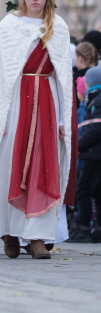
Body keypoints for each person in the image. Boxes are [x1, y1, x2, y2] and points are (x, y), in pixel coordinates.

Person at [0, 0, 77, 260]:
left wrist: (64, 119)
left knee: (45, 163)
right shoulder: (9, 26)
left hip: (47, 97)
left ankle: (37, 236)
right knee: (8, 161)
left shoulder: (59, 27)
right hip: (15, 99)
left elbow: (65, 79)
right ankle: (8, 231)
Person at [68, 67, 101, 243]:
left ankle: (84, 229)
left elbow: (95, 128)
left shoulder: (98, 100)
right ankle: (96, 229)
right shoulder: (94, 100)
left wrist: (79, 146)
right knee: (96, 192)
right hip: (93, 153)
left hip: (93, 154)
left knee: (82, 191)